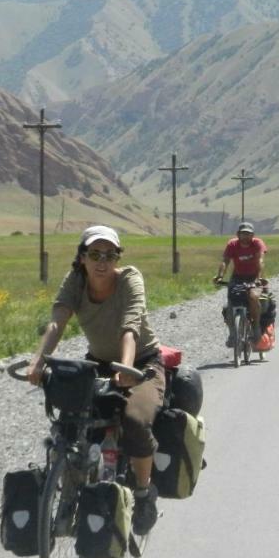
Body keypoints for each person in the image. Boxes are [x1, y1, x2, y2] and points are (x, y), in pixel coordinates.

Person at [27, 225, 165, 536]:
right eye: (94, 254)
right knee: (73, 422)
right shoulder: (76, 280)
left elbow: (130, 326)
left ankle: (143, 494)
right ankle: (70, 490)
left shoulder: (130, 278)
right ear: (82, 258)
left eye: (110, 254)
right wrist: (39, 360)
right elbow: (57, 321)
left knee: (134, 419)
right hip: (99, 363)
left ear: (118, 258)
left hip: (142, 363)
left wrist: (127, 369)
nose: (102, 261)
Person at [214, 221, 268, 345]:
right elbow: (225, 261)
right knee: (229, 306)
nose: (246, 236)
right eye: (243, 233)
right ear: (238, 234)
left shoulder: (257, 243)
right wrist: (220, 276)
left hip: (254, 277)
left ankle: (256, 327)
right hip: (237, 278)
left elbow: (260, 260)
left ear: (253, 235)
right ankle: (233, 334)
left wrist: (258, 279)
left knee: (254, 298)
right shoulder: (232, 244)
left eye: (248, 234)